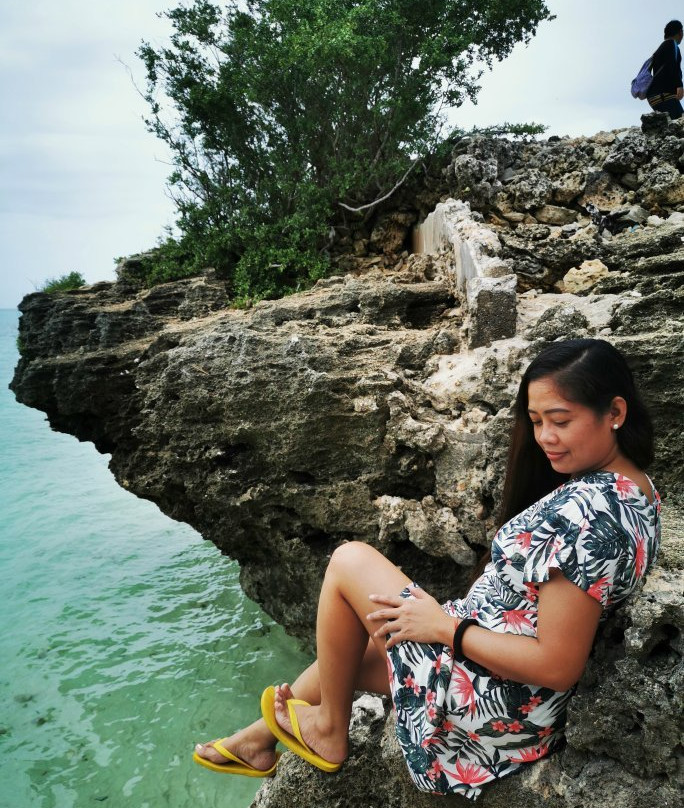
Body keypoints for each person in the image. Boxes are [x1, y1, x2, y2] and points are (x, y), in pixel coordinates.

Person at [193, 338, 661, 800]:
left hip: (498, 704)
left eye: (561, 421)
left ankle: (331, 729)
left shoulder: (586, 514)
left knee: (349, 560)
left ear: (615, 412)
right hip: (506, 684)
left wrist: (445, 628)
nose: (544, 438)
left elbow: (557, 665)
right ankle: (259, 739)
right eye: (536, 421)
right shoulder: (637, 490)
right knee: (349, 652)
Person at [648, 20, 684, 119]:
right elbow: (672, 66)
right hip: (664, 95)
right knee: (680, 121)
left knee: (671, 124)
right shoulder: (671, 44)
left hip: (654, 96)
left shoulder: (661, 48)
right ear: (680, 32)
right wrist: (679, 86)